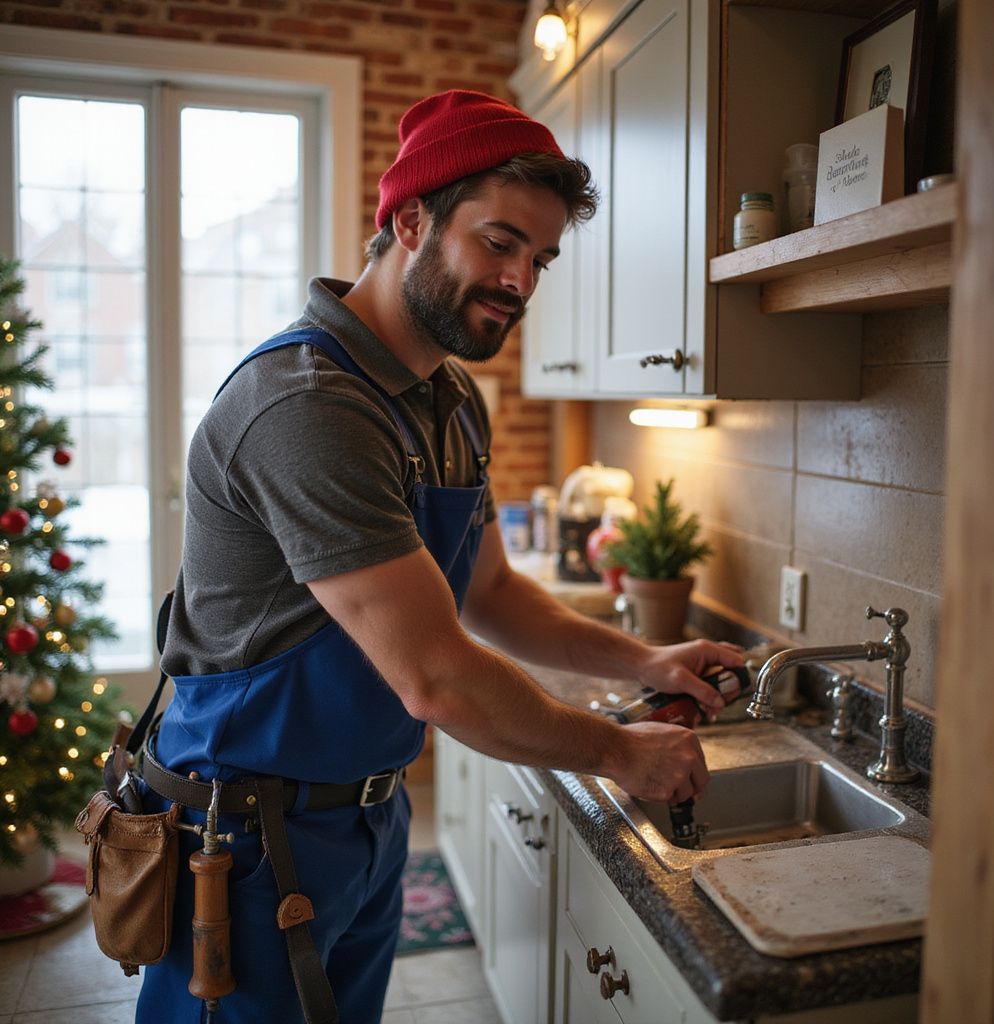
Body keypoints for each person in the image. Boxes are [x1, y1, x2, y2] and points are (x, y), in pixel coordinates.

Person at [134, 90, 744, 1024]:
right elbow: (437, 678)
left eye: (539, 258)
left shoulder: (451, 399)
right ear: (410, 219)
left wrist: (646, 661)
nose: (521, 282)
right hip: (245, 840)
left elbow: (490, 592)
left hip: (369, 821)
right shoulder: (309, 406)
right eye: (499, 243)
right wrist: (619, 750)